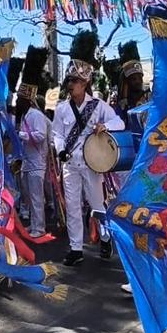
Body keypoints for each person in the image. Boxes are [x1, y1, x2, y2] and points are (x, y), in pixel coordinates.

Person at [51, 60, 125, 266]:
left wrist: (105, 125)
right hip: (70, 164)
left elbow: (120, 122)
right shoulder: (62, 109)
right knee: (73, 207)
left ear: (85, 83)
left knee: (97, 205)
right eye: (69, 81)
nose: (70, 84)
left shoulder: (99, 106)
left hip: (93, 165)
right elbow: (57, 134)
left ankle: (105, 238)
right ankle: (76, 248)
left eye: (74, 81)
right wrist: (61, 150)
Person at [15, 84, 50, 237]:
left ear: (27, 100)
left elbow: (41, 135)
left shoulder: (36, 115)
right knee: (28, 195)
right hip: (27, 162)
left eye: (19, 99)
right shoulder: (25, 115)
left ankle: (40, 228)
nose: (17, 102)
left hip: (37, 162)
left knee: (36, 197)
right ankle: (34, 224)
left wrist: (21, 134)